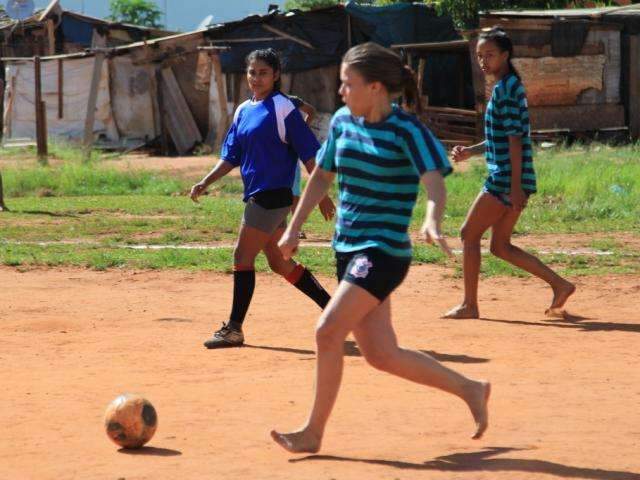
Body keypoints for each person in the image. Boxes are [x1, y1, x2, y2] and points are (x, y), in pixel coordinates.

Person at [271, 42, 490, 454]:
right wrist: (294, 228)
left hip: (383, 251)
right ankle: (471, 389)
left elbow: (435, 183)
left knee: (327, 331)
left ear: (374, 87)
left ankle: (313, 432)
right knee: (382, 355)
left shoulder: (407, 131)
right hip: (347, 248)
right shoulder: (342, 121)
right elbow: (321, 177)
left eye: (346, 84)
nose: (340, 92)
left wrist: (431, 219)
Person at [190, 48, 334, 349]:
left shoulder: (283, 108)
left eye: (263, 72)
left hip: (271, 194)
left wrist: (322, 195)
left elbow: (309, 153)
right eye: (252, 72)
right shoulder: (244, 110)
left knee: (242, 258)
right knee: (280, 263)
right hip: (260, 193)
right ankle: (335, 312)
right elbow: (231, 156)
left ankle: (234, 329)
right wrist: (206, 181)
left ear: (276, 75)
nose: (256, 78)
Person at [443, 28, 575, 320]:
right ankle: (560, 284)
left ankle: (469, 305)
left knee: (468, 233)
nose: (483, 60)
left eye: (489, 54)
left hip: (505, 178)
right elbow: (501, 137)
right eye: (480, 55)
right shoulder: (506, 87)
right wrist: (470, 152)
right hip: (513, 177)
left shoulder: (507, 88)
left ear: (505, 55)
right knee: (500, 246)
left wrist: (515, 187)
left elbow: (516, 139)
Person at [287, 95, 335, 238]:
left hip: (292, 152)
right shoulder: (260, 104)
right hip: (272, 154)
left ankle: (295, 228)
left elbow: (311, 111)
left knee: (294, 192)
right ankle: (279, 227)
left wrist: (303, 128)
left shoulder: (290, 101)